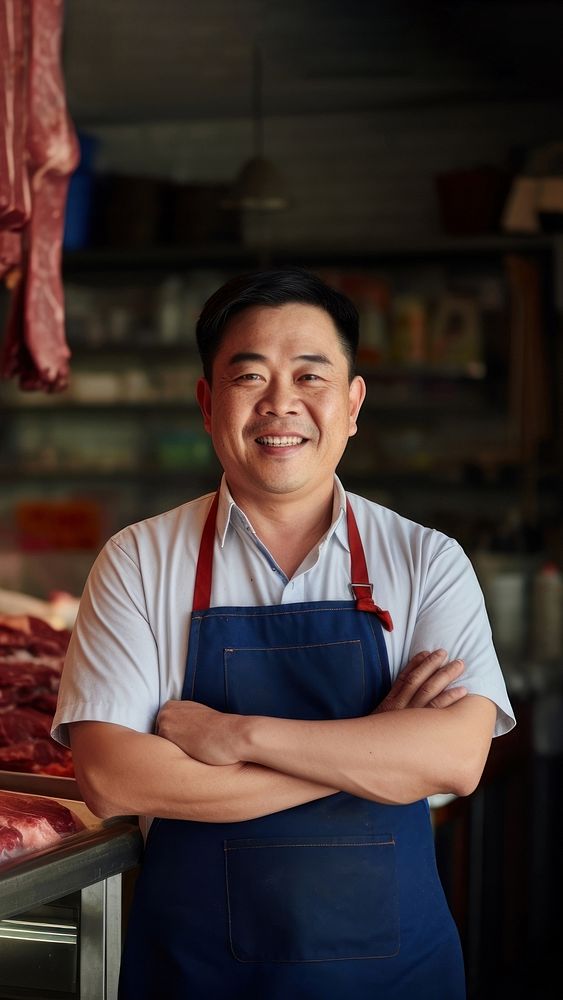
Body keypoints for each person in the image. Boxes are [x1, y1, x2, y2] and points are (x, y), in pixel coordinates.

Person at [52, 267, 515, 1000]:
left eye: (310, 375)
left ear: (353, 403)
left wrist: (236, 737)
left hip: (394, 979)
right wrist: (373, 745)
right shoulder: (139, 560)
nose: (280, 404)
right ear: (207, 403)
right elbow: (112, 778)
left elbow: (456, 759)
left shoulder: (425, 561)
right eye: (249, 377)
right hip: (195, 976)